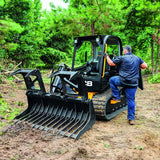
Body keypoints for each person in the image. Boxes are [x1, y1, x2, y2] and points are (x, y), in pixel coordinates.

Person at [104, 45, 147, 125]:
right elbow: (145, 66)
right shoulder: (137, 58)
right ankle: (131, 119)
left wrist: (106, 56)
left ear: (125, 51)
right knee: (131, 100)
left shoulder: (122, 58)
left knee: (112, 80)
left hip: (123, 81)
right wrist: (138, 66)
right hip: (133, 83)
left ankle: (117, 97)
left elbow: (111, 63)